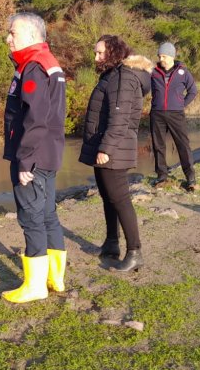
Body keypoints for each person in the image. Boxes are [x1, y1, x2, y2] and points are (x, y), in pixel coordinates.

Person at [1, 12, 67, 303]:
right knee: (48, 214)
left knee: (31, 218)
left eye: (13, 33)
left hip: (33, 156)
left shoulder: (33, 67)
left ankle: (35, 286)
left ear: (30, 35)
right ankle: (56, 278)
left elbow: (35, 118)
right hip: (49, 153)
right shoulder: (49, 63)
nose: (8, 38)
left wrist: (25, 160)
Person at [79, 35, 152, 273]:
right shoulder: (112, 75)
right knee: (108, 196)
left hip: (114, 149)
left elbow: (119, 119)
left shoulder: (124, 77)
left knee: (120, 199)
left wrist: (106, 149)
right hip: (106, 146)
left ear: (113, 53)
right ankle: (112, 243)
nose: (96, 57)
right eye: (95, 52)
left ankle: (135, 252)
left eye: (100, 53)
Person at [149, 42, 199, 191]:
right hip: (157, 114)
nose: (161, 59)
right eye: (159, 56)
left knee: (183, 145)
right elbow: (144, 88)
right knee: (158, 146)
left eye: (163, 56)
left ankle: (190, 178)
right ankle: (161, 176)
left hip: (176, 114)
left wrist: (181, 104)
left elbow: (193, 91)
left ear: (171, 56)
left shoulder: (183, 72)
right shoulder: (153, 72)